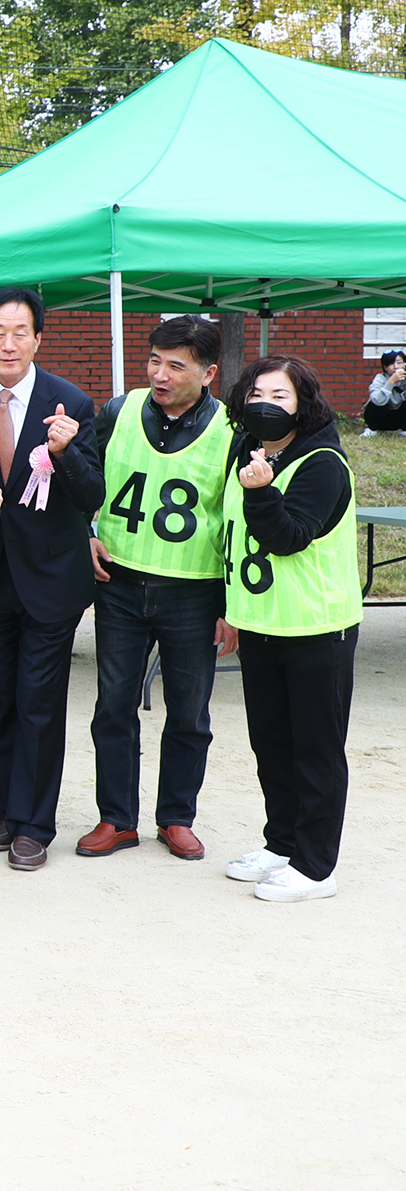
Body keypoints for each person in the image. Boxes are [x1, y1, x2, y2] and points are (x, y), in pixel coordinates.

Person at [0, 287, 104, 872]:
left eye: (20, 332)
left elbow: (92, 493)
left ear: (39, 338)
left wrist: (66, 453)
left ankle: (35, 825)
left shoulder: (72, 402)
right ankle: (5, 811)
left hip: (51, 579)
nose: (8, 343)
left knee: (40, 700)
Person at [82, 315, 236, 862]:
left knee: (189, 712)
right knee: (114, 706)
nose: (160, 374)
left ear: (209, 372)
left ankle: (176, 816)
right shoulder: (117, 412)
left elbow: (237, 521)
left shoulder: (231, 431)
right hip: (120, 584)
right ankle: (116, 818)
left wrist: (232, 605)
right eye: (154, 360)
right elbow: (80, 477)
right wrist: (86, 533)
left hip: (194, 592)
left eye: (176, 365)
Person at [221, 355, 361, 903]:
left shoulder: (323, 463)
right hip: (261, 624)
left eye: (279, 396)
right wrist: (228, 609)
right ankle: (281, 843)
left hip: (316, 629)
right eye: (257, 393)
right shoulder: (247, 448)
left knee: (316, 749)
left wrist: (260, 492)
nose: (265, 405)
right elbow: (231, 535)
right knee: (272, 743)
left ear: (304, 402)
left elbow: (289, 536)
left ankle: (316, 866)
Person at [361, 351, 406, 436]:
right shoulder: (380, 379)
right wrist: (391, 382)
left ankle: (404, 430)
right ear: (385, 367)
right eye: (391, 364)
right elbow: (377, 401)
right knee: (374, 402)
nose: (396, 367)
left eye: (399, 363)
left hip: (400, 417)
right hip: (382, 417)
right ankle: (372, 430)